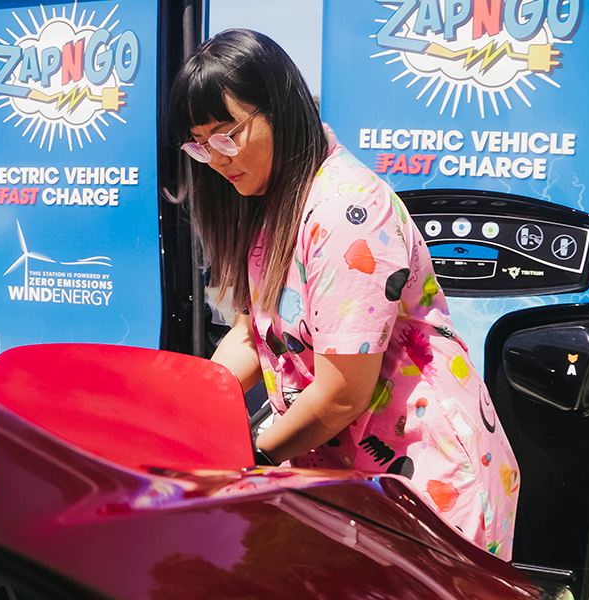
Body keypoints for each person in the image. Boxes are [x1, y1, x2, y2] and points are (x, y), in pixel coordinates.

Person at [169, 29, 520, 560]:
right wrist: (190, 409)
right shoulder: (270, 203)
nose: (215, 159)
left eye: (226, 135)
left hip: (426, 479)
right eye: (199, 145)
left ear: (281, 108)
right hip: (350, 477)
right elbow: (252, 331)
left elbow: (341, 393)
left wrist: (248, 454)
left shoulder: (345, 210)